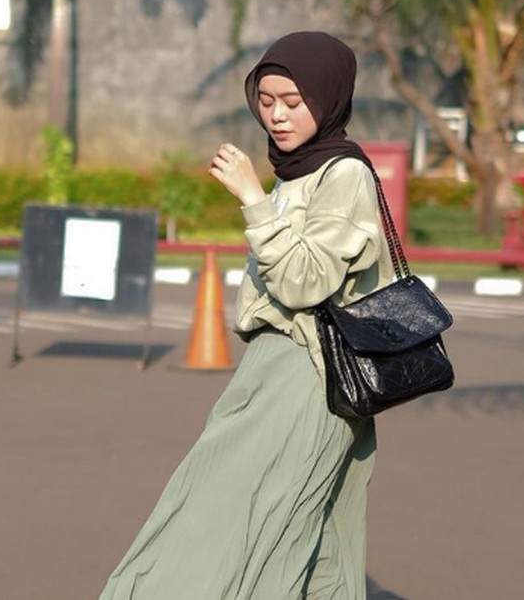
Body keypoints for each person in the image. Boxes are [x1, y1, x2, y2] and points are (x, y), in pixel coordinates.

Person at [97, 30, 394, 600]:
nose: (277, 116)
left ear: (329, 97)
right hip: (275, 365)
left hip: (310, 373)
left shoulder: (344, 173)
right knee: (312, 531)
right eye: (266, 101)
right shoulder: (299, 171)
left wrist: (253, 202)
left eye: (293, 102)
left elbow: (307, 281)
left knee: (227, 512)